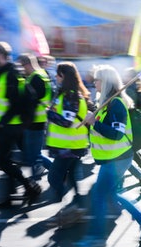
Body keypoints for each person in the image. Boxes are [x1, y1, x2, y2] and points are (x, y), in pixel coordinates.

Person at [73, 65, 141, 247]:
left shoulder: (116, 104)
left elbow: (115, 134)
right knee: (113, 193)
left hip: (118, 158)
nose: (94, 82)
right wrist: (89, 122)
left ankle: (97, 238)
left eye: (97, 79)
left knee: (98, 196)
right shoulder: (106, 102)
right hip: (113, 157)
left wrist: (94, 123)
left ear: (106, 81)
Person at [0, 41, 41, 208]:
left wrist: (2, 123)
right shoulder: (4, 74)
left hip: (10, 126)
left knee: (2, 162)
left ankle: (30, 186)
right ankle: (11, 196)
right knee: (5, 160)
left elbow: (15, 103)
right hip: (7, 126)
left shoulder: (10, 74)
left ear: (2, 56)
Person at [45, 62, 90, 226]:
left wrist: (49, 113)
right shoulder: (69, 94)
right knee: (71, 177)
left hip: (69, 146)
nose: (56, 78)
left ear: (64, 76)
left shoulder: (71, 95)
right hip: (72, 145)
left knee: (53, 177)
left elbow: (66, 122)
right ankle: (77, 208)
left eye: (58, 75)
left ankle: (72, 208)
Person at [17, 53, 53, 180]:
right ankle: (38, 178)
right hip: (39, 118)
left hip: (34, 120)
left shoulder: (35, 78)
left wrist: (25, 118)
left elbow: (31, 101)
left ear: (27, 64)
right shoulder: (42, 74)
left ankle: (56, 171)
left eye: (22, 66)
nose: (21, 69)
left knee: (33, 154)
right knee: (33, 154)